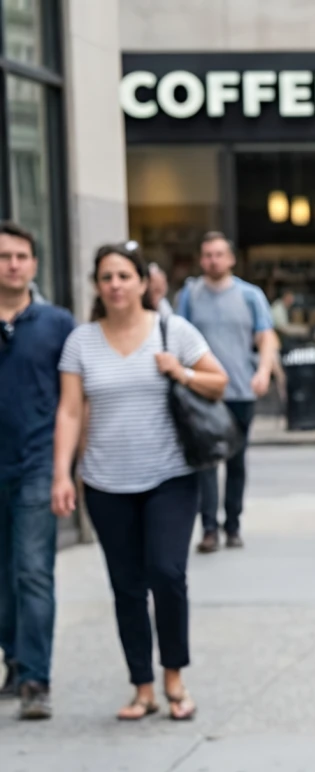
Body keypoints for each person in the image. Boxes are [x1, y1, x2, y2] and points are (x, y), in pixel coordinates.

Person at [52, 242, 228, 721]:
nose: (115, 285)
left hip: (169, 476)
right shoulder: (81, 342)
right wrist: (61, 474)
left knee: (168, 575)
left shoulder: (173, 330)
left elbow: (220, 381)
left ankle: (174, 675)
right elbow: (69, 411)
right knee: (126, 586)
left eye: (124, 276)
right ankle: (142, 686)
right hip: (106, 482)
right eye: (107, 277)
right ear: (97, 285)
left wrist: (182, 371)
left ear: (142, 283)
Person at [0, 222, 75, 721]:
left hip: (36, 465)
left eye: (21, 256)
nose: (12, 264)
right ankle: (14, 659)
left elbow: (73, 402)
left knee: (32, 571)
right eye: (4, 256)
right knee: (4, 576)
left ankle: (35, 679)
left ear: (35, 264)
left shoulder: (57, 324)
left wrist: (66, 470)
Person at [175, 231, 278, 554]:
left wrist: (263, 371)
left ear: (231, 259)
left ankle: (233, 524)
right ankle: (209, 528)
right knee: (205, 461)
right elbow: (178, 338)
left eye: (219, 254)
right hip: (202, 392)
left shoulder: (250, 296)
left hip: (240, 391)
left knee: (236, 460)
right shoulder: (190, 295)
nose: (213, 260)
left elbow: (267, 337)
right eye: (207, 254)